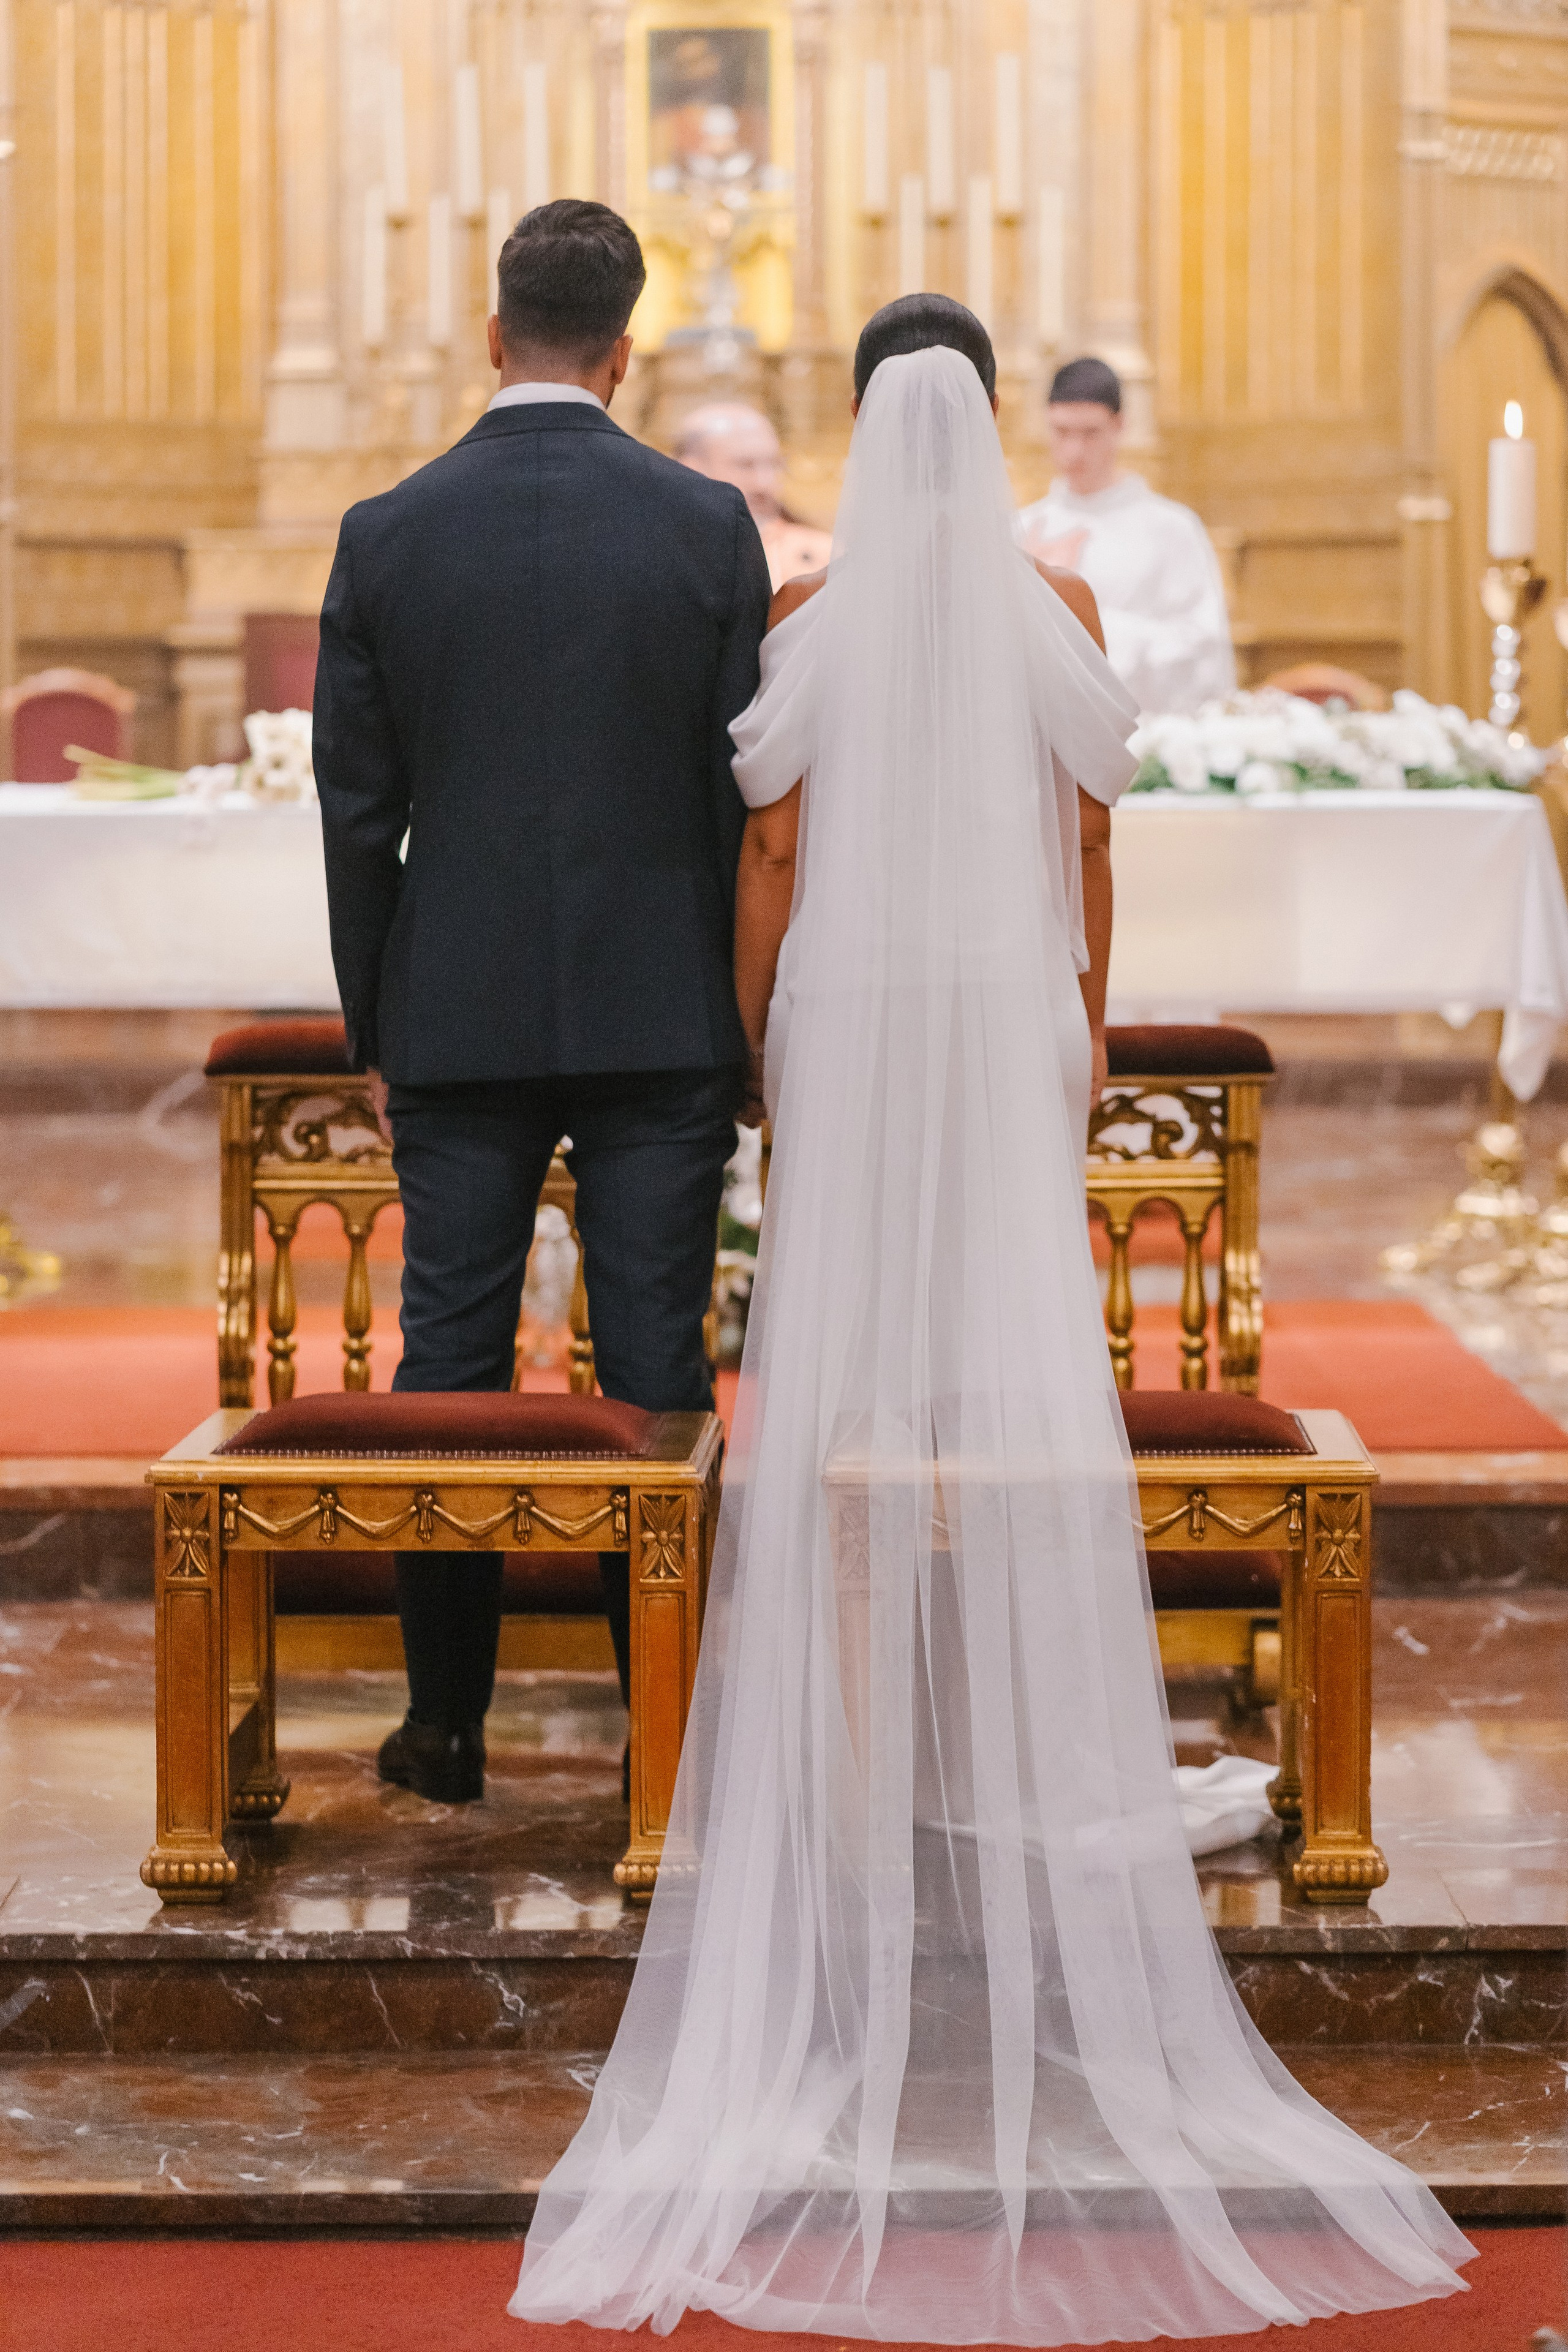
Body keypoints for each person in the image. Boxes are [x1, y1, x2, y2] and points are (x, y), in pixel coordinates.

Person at [511, 298, 1472, 2337]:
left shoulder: (818, 616)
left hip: (854, 1015)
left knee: (851, 1384)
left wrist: (771, 1041)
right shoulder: (1053, 597)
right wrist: (1083, 1029)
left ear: (861, 424)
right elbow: (1096, 842)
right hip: (1013, 1012)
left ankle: (871, 1737)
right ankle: (1009, 1714)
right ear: (999, 412)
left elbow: (770, 845)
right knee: (1003, 1375)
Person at [313, 200, 771, 1804]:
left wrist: (380, 1028)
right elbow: (742, 806)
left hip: (460, 1002)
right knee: (659, 1359)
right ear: (626, 347)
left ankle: (446, 1726)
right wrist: (743, 1021)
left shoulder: (388, 531)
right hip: (664, 1009)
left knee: (448, 1355)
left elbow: (357, 813)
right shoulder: (708, 528)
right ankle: (670, 1722)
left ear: (492, 333)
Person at [1018, 355, 1237, 714]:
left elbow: (1203, 652)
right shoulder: (1023, 527)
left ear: (1119, 425)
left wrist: (1077, 612)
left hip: (1143, 733)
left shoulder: (1172, 528)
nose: (1074, 452)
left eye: (1090, 434)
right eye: (1061, 432)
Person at [676, 401, 834, 590]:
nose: (764, 484)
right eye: (745, 465)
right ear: (691, 470)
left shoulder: (826, 555)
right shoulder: (664, 554)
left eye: (774, 464)